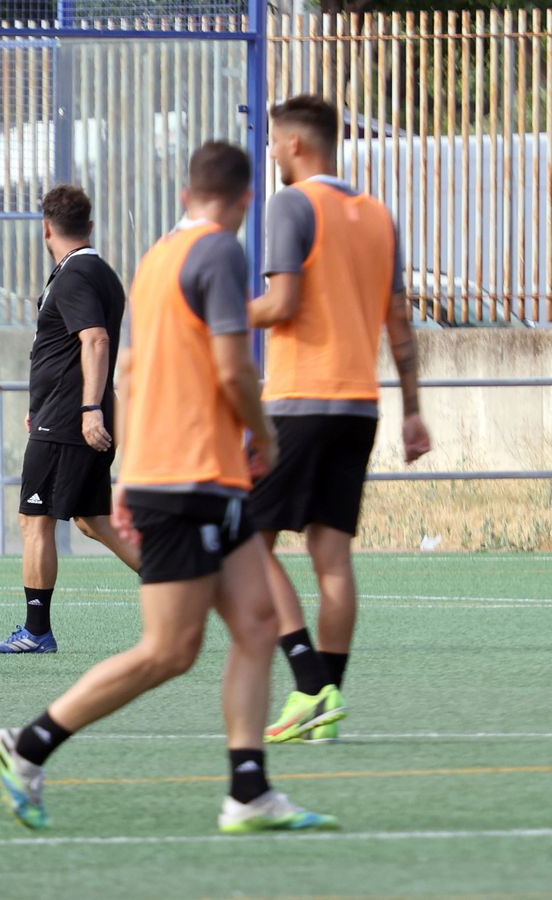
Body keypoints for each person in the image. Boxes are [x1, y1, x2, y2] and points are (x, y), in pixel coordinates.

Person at [0, 142, 337, 834]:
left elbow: (135, 371)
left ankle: (249, 791)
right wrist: (265, 439)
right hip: (188, 479)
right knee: (168, 651)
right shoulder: (220, 253)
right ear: (245, 202)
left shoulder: (156, 260)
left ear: (184, 196)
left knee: (257, 625)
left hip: (193, 475)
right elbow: (234, 371)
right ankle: (26, 748)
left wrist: (131, 466)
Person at [248, 95, 431, 744]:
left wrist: (215, 316)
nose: (269, 153)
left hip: (298, 403)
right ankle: (328, 703)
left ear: (297, 144)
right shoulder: (378, 215)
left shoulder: (291, 204)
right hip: (361, 406)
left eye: (272, 141)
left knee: (247, 541)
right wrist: (412, 410)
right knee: (332, 556)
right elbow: (401, 325)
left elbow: (282, 301)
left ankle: (305, 684)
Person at [0, 185, 141, 654]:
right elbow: (65, 349)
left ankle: (35, 632)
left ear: (46, 227)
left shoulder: (77, 274)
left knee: (35, 521)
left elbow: (94, 340)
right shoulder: (97, 272)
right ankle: (179, 582)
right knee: (94, 521)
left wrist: (88, 409)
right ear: (89, 226)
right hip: (65, 413)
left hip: (71, 419)